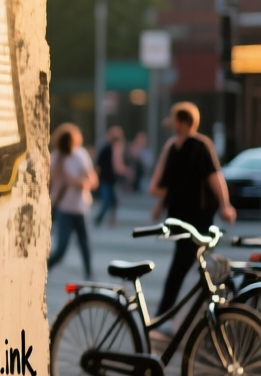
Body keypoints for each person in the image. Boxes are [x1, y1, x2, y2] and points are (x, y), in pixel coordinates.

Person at [148, 101, 236, 314]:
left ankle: (179, 313)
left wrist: (162, 203)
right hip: (199, 217)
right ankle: (171, 314)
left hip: (178, 217)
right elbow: (215, 177)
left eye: (175, 120)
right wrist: (225, 205)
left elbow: (157, 186)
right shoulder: (202, 144)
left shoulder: (172, 146)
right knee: (194, 265)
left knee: (189, 264)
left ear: (181, 121)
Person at [48, 123, 97, 279]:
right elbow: (49, 182)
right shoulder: (56, 157)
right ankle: (44, 269)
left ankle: (89, 275)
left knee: (85, 245)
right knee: (61, 249)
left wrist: (76, 182)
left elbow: (93, 180)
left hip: (81, 207)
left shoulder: (80, 155)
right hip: (64, 208)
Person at [94, 126, 132, 227]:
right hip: (105, 179)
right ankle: (99, 220)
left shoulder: (117, 149)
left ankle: (110, 220)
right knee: (107, 201)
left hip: (112, 180)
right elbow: (102, 165)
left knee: (113, 201)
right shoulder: (106, 149)